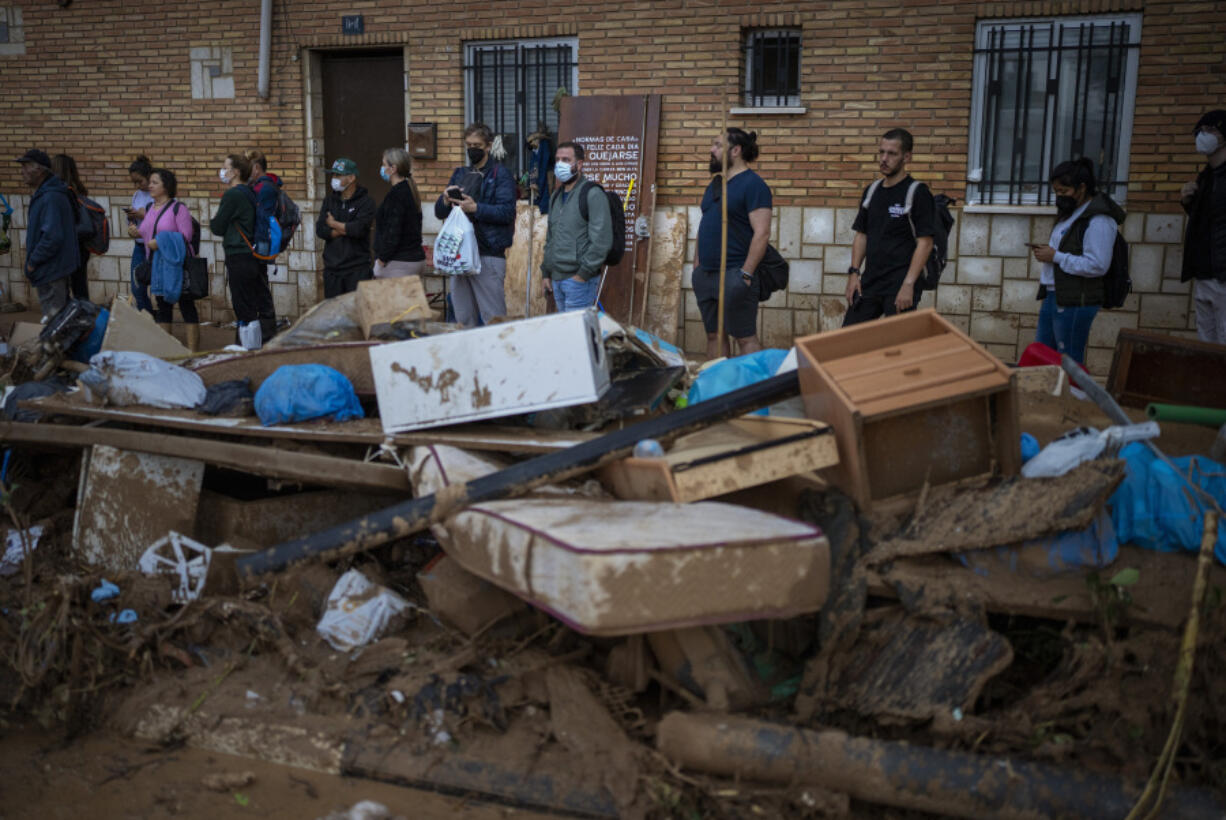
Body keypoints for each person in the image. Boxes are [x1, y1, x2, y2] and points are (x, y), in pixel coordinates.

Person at [1030, 158, 1125, 365]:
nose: (1059, 197)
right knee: (1043, 358)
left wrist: (1055, 256)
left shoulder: (1099, 220)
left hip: (1076, 301)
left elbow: (1098, 264)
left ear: (1081, 188)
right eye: (1056, 192)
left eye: (1064, 192)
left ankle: (1075, 396)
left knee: (1069, 361)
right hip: (1055, 294)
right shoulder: (1071, 215)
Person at [843, 128, 935, 327]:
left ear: (906, 157)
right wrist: (854, 274)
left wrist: (909, 285)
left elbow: (925, 243)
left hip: (900, 284)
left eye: (892, 153)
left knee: (898, 346)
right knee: (847, 340)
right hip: (870, 282)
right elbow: (862, 235)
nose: (884, 159)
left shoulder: (917, 193)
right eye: (881, 152)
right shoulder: (872, 191)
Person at [693, 128, 771, 358]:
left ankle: (753, 392)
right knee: (714, 336)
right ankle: (721, 390)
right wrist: (697, 267)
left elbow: (762, 233)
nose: (711, 150)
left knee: (745, 338)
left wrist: (745, 275)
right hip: (706, 275)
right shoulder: (716, 185)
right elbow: (705, 224)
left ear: (735, 150)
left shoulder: (753, 185)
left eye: (717, 145)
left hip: (735, 274)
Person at [434, 122, 516, 326]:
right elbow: (438, 212)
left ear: (488, 146)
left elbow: (507, 212)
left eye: (477, 146)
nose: (472, 150)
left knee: (493, 319)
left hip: (487, 254)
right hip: (459, 254)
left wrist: (476, 208)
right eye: (468, 145)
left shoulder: (500, 174)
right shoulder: (460, 174)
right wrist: (445, 200)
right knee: (462, 318)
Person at [210, 153, 277, 346]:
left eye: (225, 167)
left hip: (238, 255)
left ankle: (249, 350)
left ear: (235, 172)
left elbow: (217, 227)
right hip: (252, 255)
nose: (222, 171)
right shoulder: (249, 192)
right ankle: (250, 346)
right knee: (251, 304)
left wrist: (216, 220)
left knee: (243, 308)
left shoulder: (233, 194)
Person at [540, 141, 613, 311]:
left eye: (566, 160)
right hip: (557, 279)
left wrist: (583, 274)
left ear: (579, 164)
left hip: (578, 280)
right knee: (567, 333)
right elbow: (551, 238)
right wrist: (546, 273)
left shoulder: (592, 194)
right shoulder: (556, 196)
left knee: (578, 333)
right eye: (557, 160)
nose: (560, 164)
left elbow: (602, 240)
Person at [135, 168, 199, 351]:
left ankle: (193, 352)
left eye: (155, 182)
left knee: (186, 306)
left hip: (177, 265)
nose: (150, 186)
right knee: (163, 307)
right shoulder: (149, 208)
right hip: (156, 265)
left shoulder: (179, 209)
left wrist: (161, 241)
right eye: (150, 182)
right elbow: (147, 234)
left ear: (166, 186)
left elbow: (185, 236)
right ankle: (167, 350)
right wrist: (137, 233)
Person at [16, 148, 79, 320]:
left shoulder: (50, 196)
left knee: (55, 321)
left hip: (52, 270)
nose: (22, 171)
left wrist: (33, 262)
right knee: (59, 319)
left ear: (40, 169)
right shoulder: (46, 194)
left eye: (26, 166)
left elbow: (52, 236)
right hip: (51, 269)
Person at [1180, 109, 1226, 343]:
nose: (1202, 136)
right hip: (1204, 273)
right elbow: (1209, 220)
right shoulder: (1206, 176)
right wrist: (1189, 202)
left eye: (1210, 130)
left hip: (1222, 276)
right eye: (1199, 131)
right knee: (1206, 346)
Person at [315, 157, 375, 298]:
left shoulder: (366, 202)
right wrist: (343, 229)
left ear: (351, 178)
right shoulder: (329, 201)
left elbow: (359, 229)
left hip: (357, 270)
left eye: (338, 175)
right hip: (332, 270)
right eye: (333, 175)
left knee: (356, 315)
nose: (334, 178)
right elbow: (320, 229)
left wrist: (334, 224)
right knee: (334, 316)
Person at [373, 148, 425, 278]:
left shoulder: (396, 195)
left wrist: (381, 260)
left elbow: (393, 231)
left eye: (384, 164)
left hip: (399, 262)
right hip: (413, 259)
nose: (382, 168)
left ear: (393, 169)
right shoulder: (408, 190)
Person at [49, 153, 91, 301]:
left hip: (68, 246)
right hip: (81, 246)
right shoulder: (77, 190)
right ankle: (85, 318)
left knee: (63, 290)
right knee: (80, 287)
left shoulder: (62, 192)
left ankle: (76, 319)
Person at [127, 155, 155, 315]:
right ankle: (148, 317)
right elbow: (134, 220)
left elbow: (159, 219)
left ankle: (158, 322)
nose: (138, 185)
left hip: (153, 245)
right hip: (139, 245)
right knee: (137, 287)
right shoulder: (137, 195)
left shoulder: (156, 193)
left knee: (158, 288)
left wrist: (143, 215)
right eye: (134, 182)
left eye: (140, 181)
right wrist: (131, 220)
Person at [247, 149, 280, 277]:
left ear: (256, 168)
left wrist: (261, 253)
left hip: (260, 246)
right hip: (259, 244)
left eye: (248, 167)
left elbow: (263, 220)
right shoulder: (260, 185)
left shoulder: (264, 188)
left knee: (259, 287)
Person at [527, 125, 554, 215]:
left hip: (545, 181)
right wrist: (532, 181)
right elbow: (533, 168)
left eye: (533, 141)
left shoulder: (544, 150)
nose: (532, 143)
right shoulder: (535, 154)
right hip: (537, 183)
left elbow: (542, 166)